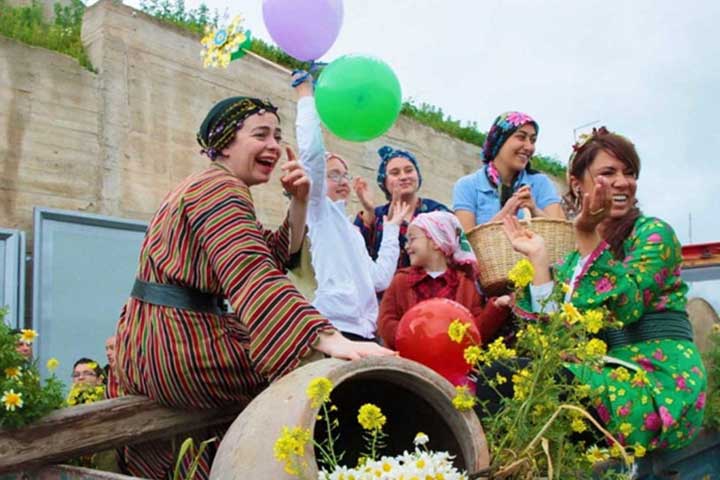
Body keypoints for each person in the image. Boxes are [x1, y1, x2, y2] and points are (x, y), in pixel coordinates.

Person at [112, 96, 393, 479]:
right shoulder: (220, 190)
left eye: (277, 136)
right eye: (260, 134)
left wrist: (299, 201)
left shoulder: (208, 187)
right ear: (226, 142)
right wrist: (325, 338)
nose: (274, 146)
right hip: (180, 346)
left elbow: (273, 254)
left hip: (156, 339)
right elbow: (251, 270)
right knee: (308, 382)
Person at [504, 127, 706, 451]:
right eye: (608, 173)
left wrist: (585, 231)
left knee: (535, 383)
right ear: (576, 184)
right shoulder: (574, 257)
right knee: (506, 377)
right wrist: (539, 260)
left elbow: (627, 306)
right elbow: (552, 339)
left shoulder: (653, 234)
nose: (623, 182)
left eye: (629, 172)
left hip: (656, 385)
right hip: (601, 379)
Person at [293, 76, 409, 341]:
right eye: (333, 174)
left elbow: (379, 280)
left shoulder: (351, 231)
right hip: (331, 328)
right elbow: (311, 153)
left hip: (365, 332)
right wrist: (305, 94)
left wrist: (391, 230)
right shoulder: (317, 212)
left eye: (345, 175)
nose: (342, 181)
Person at [378, 211, 511, 350]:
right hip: (409, 364)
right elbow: (386, 321)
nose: (406, 247)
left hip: (451, 362)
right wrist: (413, 338)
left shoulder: (464, 284)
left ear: (436, 242)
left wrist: (496, 307)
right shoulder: (401, 281)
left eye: (412, 239)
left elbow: (475, 329)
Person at [453, 112, 564, 231]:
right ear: (499, 141)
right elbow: (466, 245)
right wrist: (508, 210)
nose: (529, 147)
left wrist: (534, 210)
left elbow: (561, 234)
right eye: (521, 137)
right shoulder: (467, 186)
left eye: (532, 140)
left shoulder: (541, 183)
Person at [354, 146, 450, 269]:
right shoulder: (377, 216)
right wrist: (368, 210)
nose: (404, 177)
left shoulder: (436, 212)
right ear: (384, 182)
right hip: (385, 287)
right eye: (395, 173)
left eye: (409, 170)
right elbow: (355, 254)